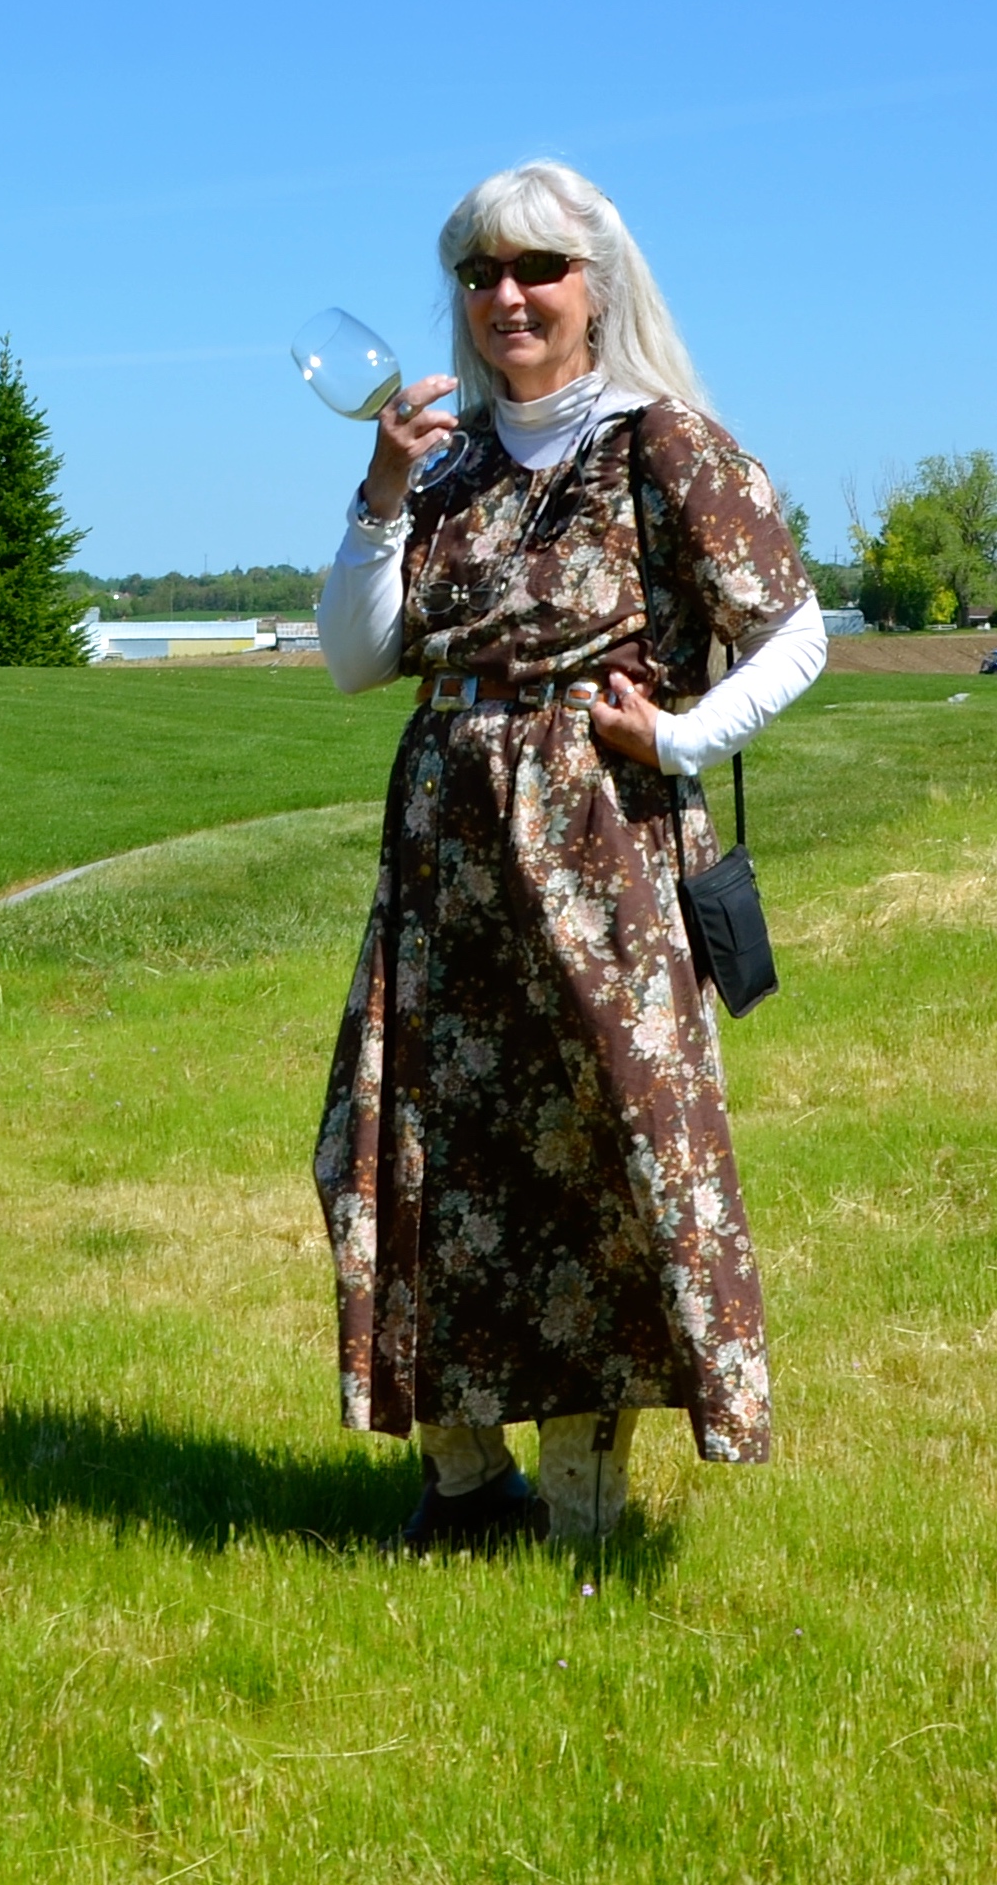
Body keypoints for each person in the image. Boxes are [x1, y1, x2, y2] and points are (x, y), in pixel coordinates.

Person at [312, 160, 825, 1549]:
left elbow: (793, 630)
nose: (508, 295)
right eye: (480, 272)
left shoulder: (659, 441)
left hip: (601, 854)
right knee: (410, 1146)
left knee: (599, 1151)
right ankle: (467, 1485)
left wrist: (682, 735)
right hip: (448, 860)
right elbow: (357, 660)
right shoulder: (449, 463)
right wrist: (379, 492)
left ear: (598, 286)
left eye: (537, 266)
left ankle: (588, 1511)